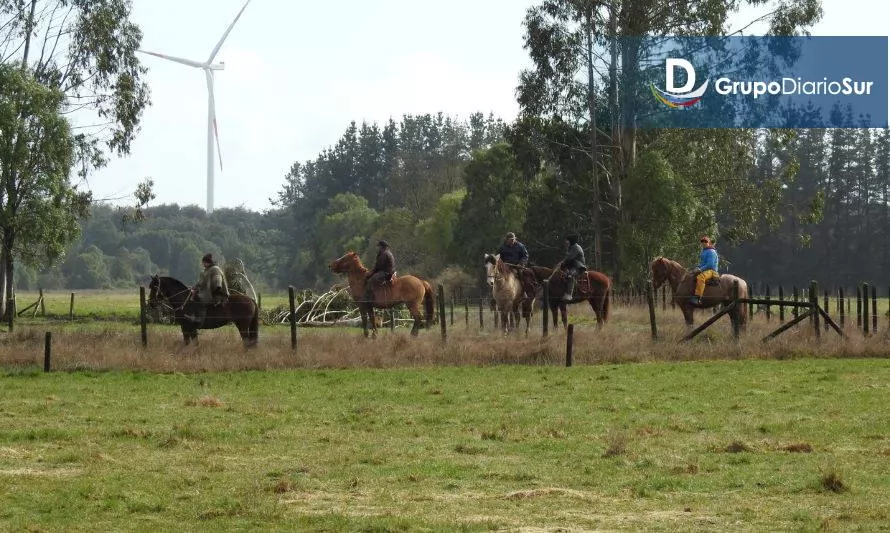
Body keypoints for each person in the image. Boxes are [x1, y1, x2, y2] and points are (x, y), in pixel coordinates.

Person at [186, 253, 229, 325]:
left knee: (200, 299)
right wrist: (194, 287)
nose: (203, 264)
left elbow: (217, 280)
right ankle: (193, 315)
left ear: (209, 262)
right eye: (203, 262)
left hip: (216, 293)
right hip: (207, 292)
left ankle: (199, 319)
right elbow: (201, 282)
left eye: (205, 262)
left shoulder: (215, 269)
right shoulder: (207, 270)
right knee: (194, 295)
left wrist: (216, 288)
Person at [692, 235, 719, 304]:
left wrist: (700, 270)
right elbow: (702, 263)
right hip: (705, 269)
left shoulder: (711, 252)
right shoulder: (703, 251)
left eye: (705, 242)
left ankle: (698, 297)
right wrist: (697, 267)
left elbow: (710, 264)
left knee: (700, 277)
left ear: (708, 243)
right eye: (702, 242)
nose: (704, 243)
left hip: (712, 270)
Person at [560, 234, 587, 302]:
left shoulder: (576, 247)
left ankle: (569, 294)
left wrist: (562, 263)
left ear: (570, 241)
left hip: (578, 267)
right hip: (572, 266)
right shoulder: (571, 247)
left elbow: (569, 258)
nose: (565, 242)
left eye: (567, 241)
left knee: (570, 275)